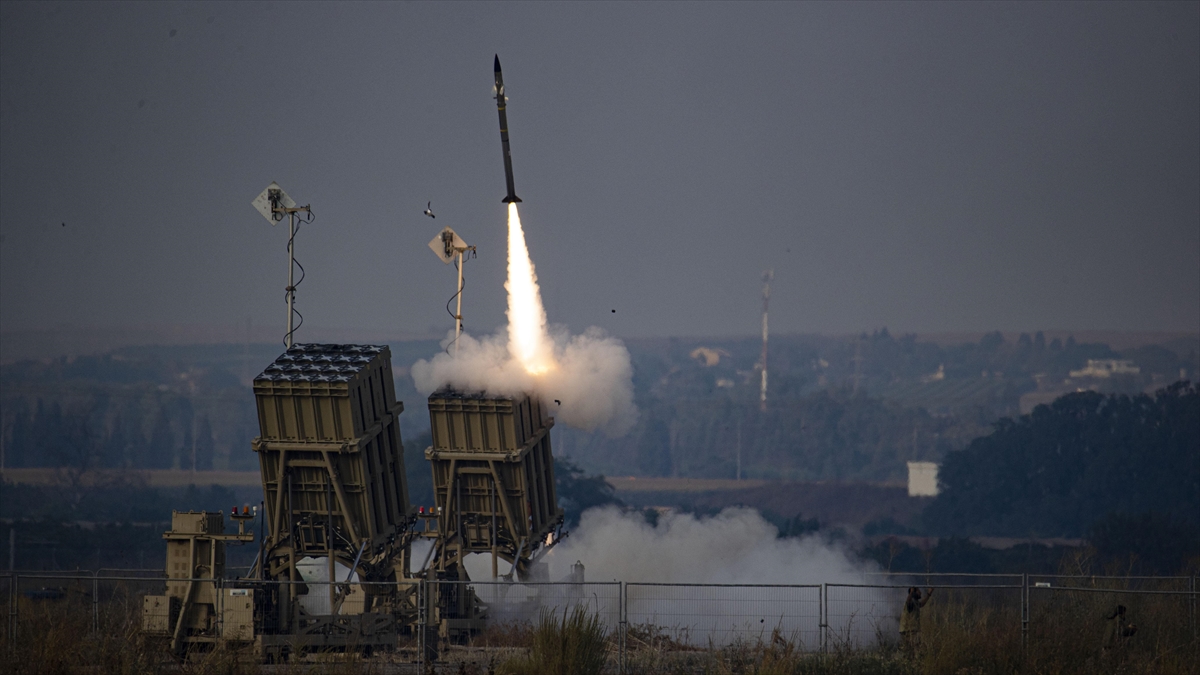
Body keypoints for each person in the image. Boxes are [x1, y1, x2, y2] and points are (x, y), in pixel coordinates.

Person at [900, 586, 934, 657]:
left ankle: (910, 663)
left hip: (911, 630)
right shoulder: (910, 603)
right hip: (909, 630)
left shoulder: (915, 603)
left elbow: (922, 604)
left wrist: (929, 594)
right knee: (913, 649)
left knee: (911, 651)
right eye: (918, 591)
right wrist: (911, 592)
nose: (920, 593)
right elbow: (908, 600)